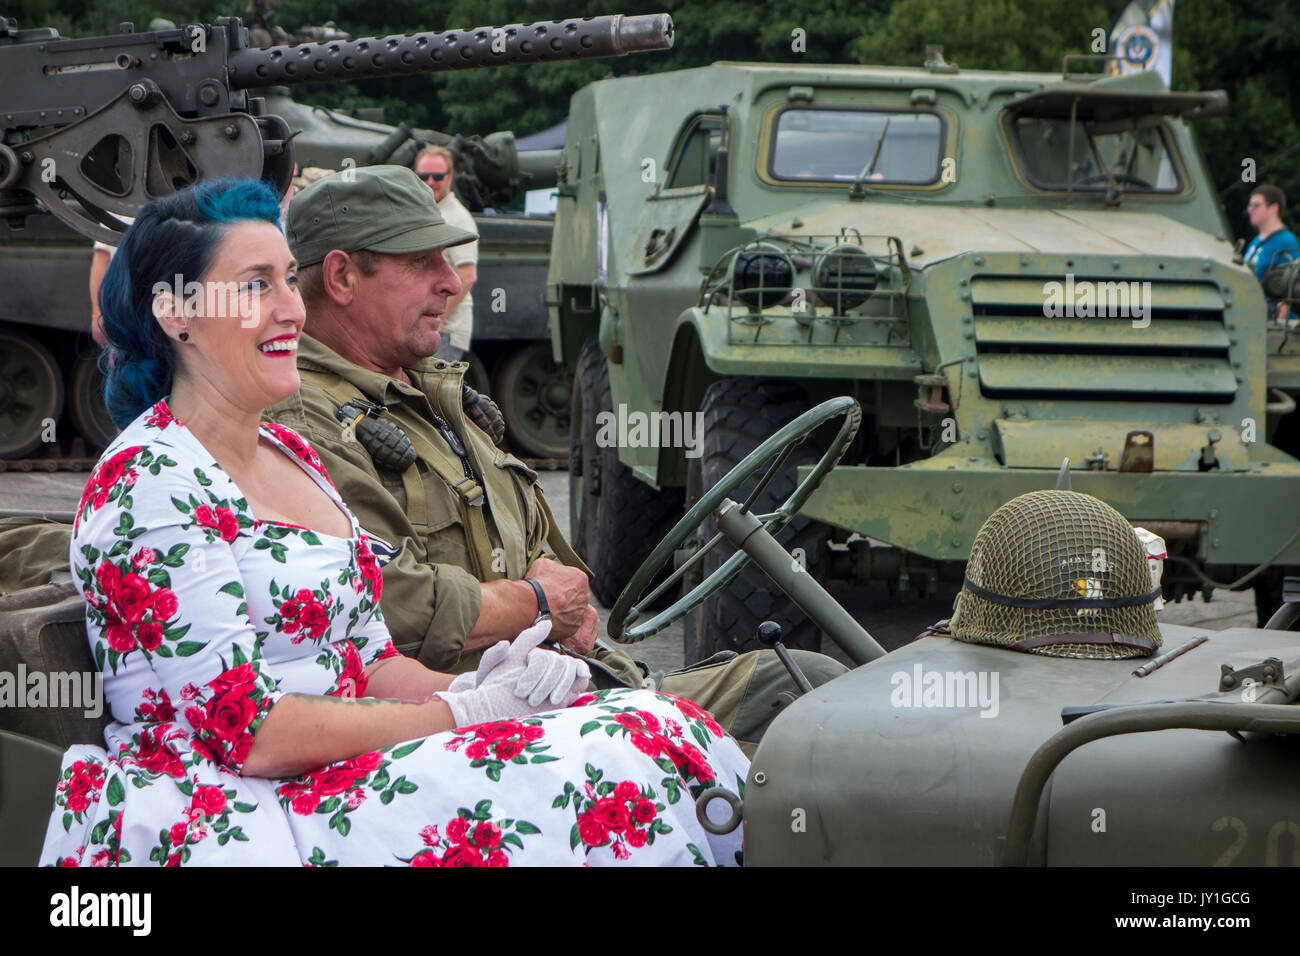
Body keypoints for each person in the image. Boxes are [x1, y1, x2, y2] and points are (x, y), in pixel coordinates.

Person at [40, 178, 748, 867]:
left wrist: (479, 685)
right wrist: (466, 715)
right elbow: (249, 734)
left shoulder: (287, 453)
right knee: (615, 764)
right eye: (257, 285)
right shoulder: (150, 482)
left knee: (659, 725)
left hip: (337, 775)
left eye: (290, 279)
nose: (291, 309)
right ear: (177, 314)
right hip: (242, 804)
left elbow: (371, 663)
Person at [264, 165, 848, 755]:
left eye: (448, 259)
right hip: (494, 727)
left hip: (581, 689)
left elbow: (545, 554)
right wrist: (539, 603)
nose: (451, 282)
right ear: (341, 276)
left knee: (808, 687)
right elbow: (383, 605)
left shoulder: (430, 395)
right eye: (422, 262)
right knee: (809, 741)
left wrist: (565, 602)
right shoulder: (305, 425)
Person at [414, 146, 479, 362]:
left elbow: (468, 275)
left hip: (446, 331)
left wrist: (440, 318)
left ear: (450, 176)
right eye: (424, 176)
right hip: (431, 326)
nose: (430, 182)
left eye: (438, 176)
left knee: (436, 395)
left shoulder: (458, 218)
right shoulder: (430, 212)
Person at [1244, 184, 1300, 322]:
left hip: (1271, 322)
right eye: (1249, 206)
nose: (1250, 210)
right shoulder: (1256, 241)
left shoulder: (1286, 241)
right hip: (1251, 315)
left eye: (1256, 205)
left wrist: (1280, 325)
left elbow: (1292, 285)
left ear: (1273, 208)